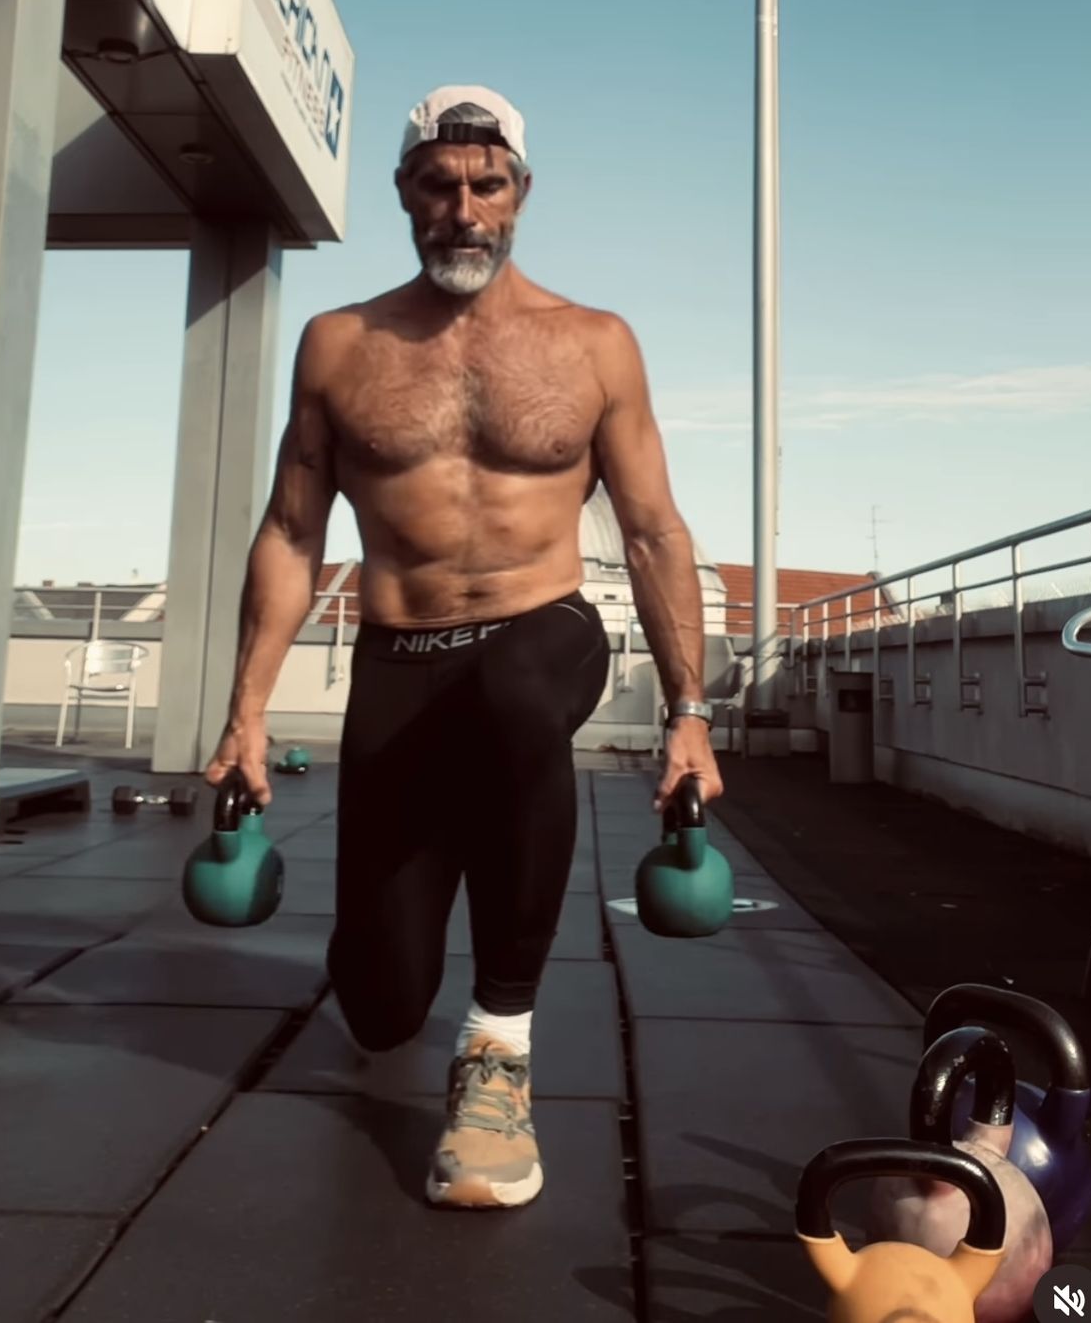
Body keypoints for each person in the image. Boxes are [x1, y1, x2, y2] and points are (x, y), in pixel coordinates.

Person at [205, 85, 723, 1210]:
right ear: (405, 192)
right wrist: (245, 713)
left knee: (517, 691)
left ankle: (498, 1051)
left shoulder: (594, 344)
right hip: (401, 657)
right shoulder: (341, 345)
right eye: (439, 184)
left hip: (545, 630)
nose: (463, 208)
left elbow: (651, 528)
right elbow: (293, 530)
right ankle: (387, 961)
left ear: (522, 194)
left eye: (488, 183)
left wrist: (690, 708)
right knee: (384, 1000)